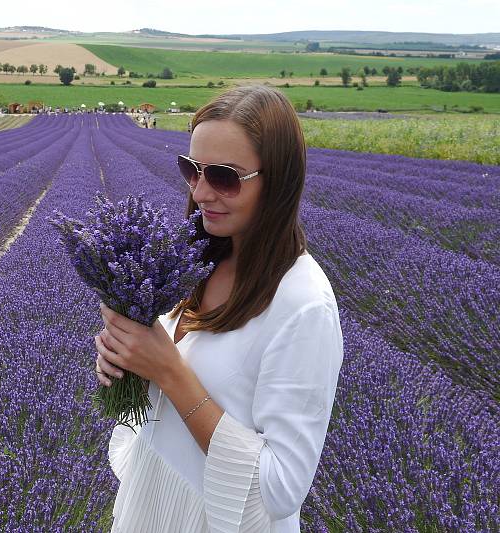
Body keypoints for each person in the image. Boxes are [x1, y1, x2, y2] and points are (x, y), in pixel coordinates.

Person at [94, 84, 344, 533]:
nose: (202, 192)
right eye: (192, 170)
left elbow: (281, 490)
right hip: (155, 502)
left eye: (225, 177)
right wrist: (128, 360)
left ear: (279, 180)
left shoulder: (304, 306)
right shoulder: (201, 261)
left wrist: (170, 372)